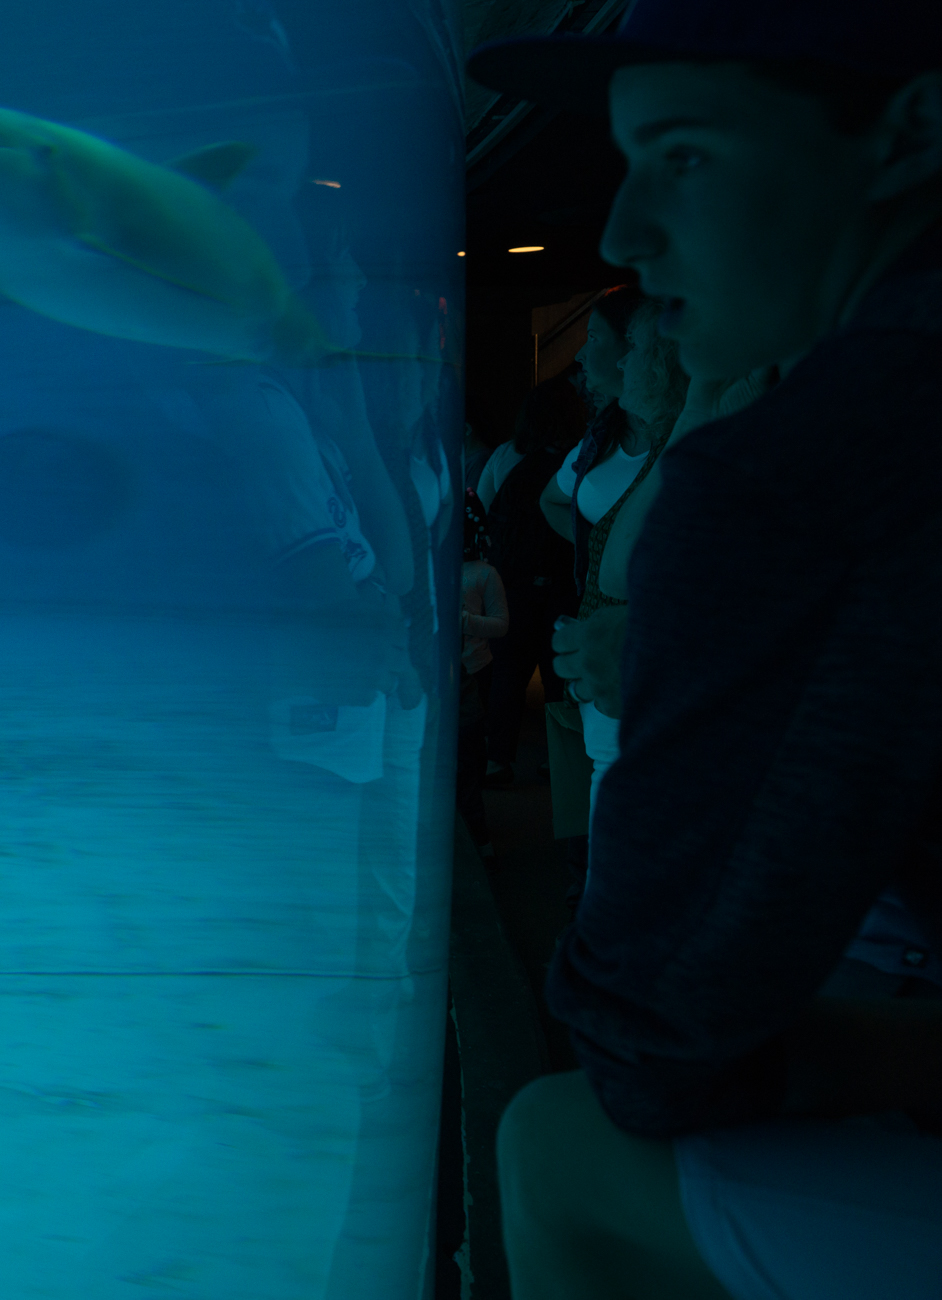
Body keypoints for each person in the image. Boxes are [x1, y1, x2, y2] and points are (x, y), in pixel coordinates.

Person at [469, 3, 942, 1299]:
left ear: (911, 133)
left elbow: (651, 1046)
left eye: (681, 155)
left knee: (559, 1144)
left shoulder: (816, 465)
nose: (619, 235)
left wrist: (876, 1057)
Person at [555, 297, 688, 827]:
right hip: (612, 660)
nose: (585, 355)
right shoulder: (602, 438)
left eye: (629, 345)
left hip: (638, 672)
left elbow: (616, 568)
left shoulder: (684, 441)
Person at [477, 369, 582, 787]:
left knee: (507, 673)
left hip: (511, 583)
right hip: (564, 583)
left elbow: (483, 511)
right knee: (560, 674)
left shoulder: (505, 456)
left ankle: (497, 761)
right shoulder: (580, 458)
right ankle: (559, 762)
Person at [457, 490, 509, 858]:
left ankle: (480, 839)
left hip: (474, 669)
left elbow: (502, 624)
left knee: (470, 757)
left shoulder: (484, 574)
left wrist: (467, 621)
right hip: (443, 678)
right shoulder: (432, 568)